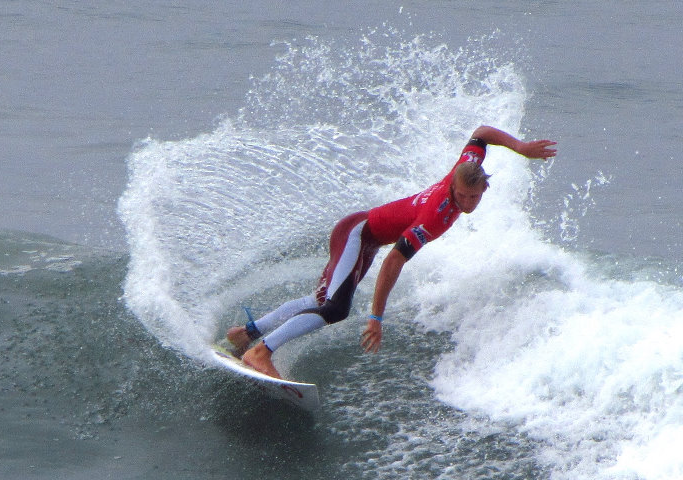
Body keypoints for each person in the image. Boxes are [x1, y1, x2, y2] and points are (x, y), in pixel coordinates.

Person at [226, 125, 557, 378]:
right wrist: (376, 318)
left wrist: (521, 148)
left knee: (320, 301)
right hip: (356, 233)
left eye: (475, 197)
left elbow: (481, 134)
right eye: (462, 196)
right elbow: (394, 261)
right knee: (336, 308)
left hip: (365, 238)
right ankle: (261, 352)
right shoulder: (434, 216)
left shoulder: (468, 166)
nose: (468, 203)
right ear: (453, 187)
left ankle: (245, 335)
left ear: (484, 185)